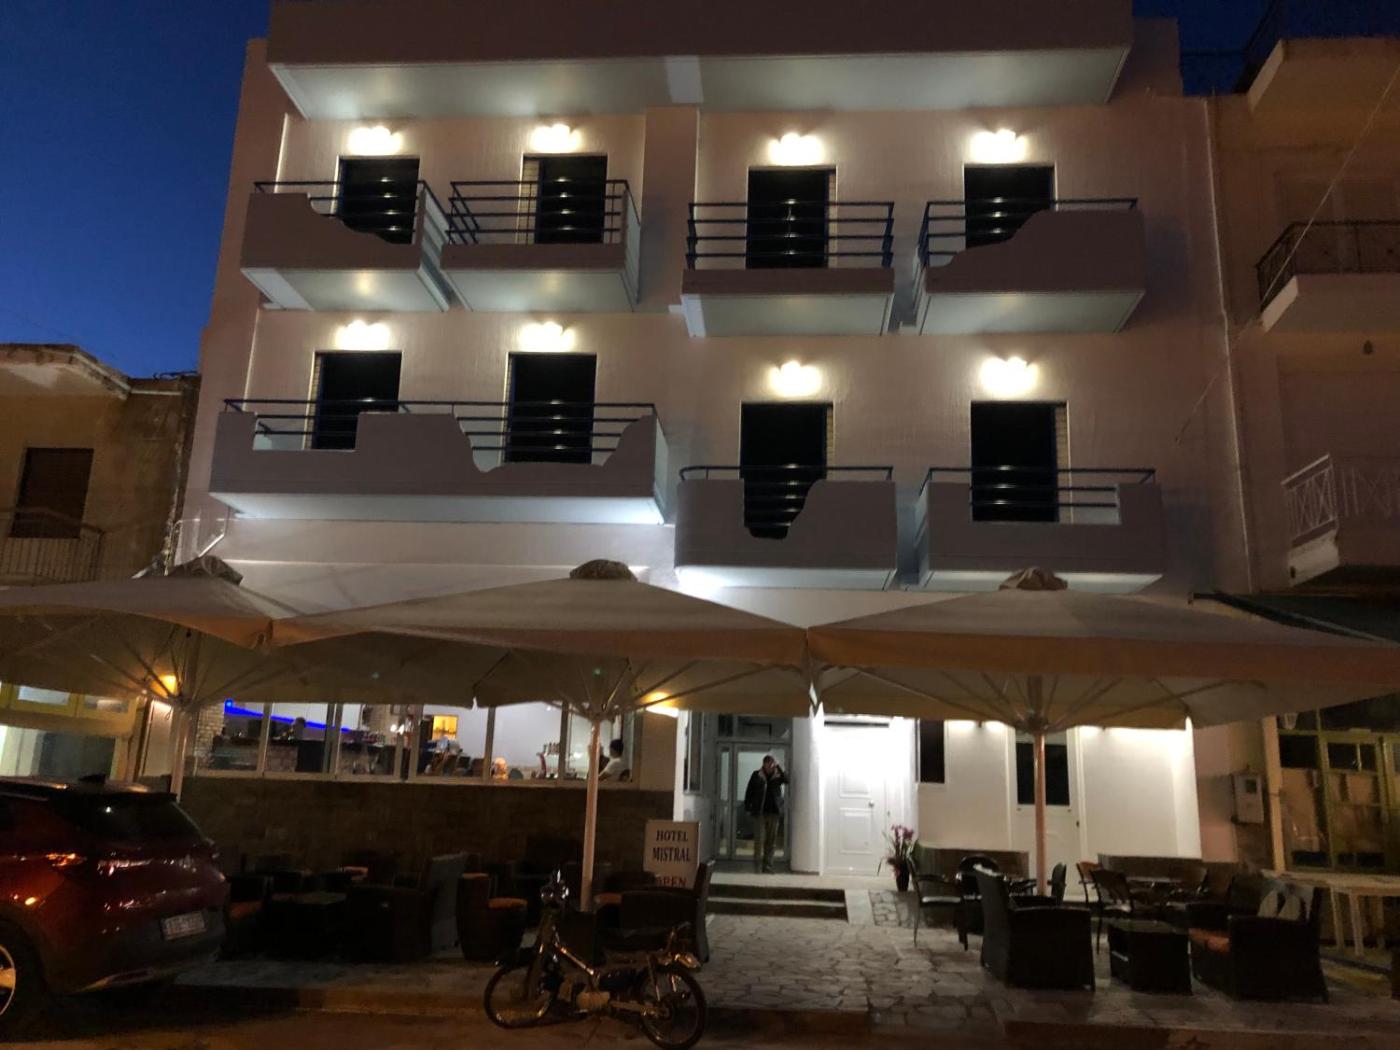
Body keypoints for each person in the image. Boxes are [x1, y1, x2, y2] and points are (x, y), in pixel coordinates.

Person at [743, 755, 788, 874]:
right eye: (768, 765)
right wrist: (747, 807)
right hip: (760, 813)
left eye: (772, 764)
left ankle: (767, 867)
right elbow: (749, 791)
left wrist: (779, 767)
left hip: (774, 813)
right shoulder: (756, 775)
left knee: (771, 842)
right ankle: (757, 867)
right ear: (764, 764)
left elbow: (787, 780)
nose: (770, 767)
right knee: (759, 840)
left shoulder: (778, 775)